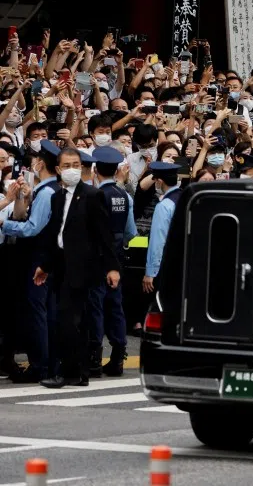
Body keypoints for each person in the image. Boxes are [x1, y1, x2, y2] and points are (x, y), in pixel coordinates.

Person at [33, 147, 120, 388]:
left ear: (82, 167)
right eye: (67, 165)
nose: (72, 169)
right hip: (62, 266)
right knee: (71, 321)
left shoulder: (92, 195)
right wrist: (45, 266)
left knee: (69, 321)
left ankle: (69, 372)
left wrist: (112, 268)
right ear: (59, 169)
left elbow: (105, 234)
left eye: (76, 165)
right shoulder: (57, 196)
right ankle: (79, 372)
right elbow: (56, 233)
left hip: (83, 269)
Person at [0, 140, 62, 383]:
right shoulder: (50, 191)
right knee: (45, 313)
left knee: (39, 314)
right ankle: (46, 363)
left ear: (39, 163)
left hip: (39, 258)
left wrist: (6, 224)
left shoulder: (47, 193)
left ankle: (41, 365)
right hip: (44, 258)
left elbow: (32, 228)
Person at [89, 146, 137, 376]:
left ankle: (94, 357)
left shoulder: (97, 195)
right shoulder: (124, 196)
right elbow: (130, 232)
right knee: (115, 307)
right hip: (117, 258)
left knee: (96, 308)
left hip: (98, 259)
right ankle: (118, 355)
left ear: (95, 170)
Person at [143, 162, 181, 297]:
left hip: (166, 267)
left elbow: (158, 241)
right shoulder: (185, 198)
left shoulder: (164, 205)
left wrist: (150, 272)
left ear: (159, 181)